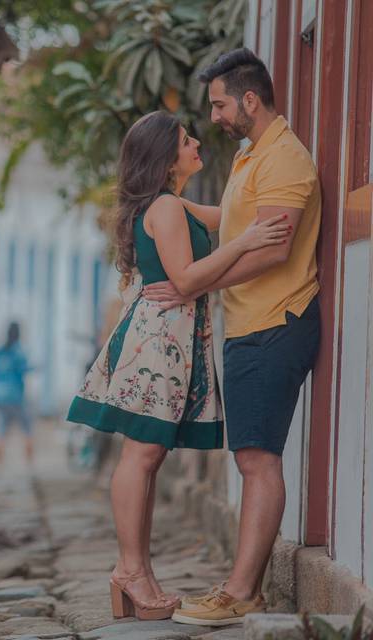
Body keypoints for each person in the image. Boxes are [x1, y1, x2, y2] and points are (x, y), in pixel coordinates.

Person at [67, 111, 291, 621]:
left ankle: (136, 572)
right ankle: (129, 571)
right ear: (167, 157)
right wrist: (247, 243)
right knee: (142, 455)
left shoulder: (174, 203)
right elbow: (187, 279)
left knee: (148, 455)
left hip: (171, 335)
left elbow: (230, 213)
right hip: (158, 339)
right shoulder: (164, 207)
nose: (196, 144)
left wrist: (257, 169)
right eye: (186, 140)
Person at [142, 48, 321, 627]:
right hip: (250, 325)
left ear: (249, 100)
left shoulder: (286, 160)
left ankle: (242, 592)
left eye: (219, 104)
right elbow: (235, 219)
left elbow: (272, 249)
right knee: (251, 456)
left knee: (257, 459)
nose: (214, 116)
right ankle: (240, 587)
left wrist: (197, 281)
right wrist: (166, 203)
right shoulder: (253, 156)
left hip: (276, 322)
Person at [0, 322, 33, 466]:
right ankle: (29, 465)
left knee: (0, 433)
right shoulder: (19, 352)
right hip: (15, 397)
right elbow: (24, 370)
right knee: (27, 431)